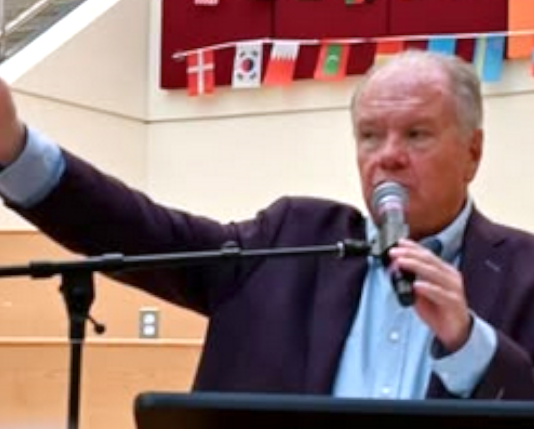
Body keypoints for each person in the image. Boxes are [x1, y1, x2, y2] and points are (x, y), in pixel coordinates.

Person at [1, 49, 534, 400]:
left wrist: (470, 343)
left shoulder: (523, 273)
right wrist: (13, 150)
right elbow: (144, 234)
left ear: (473, 152)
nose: (388, 156)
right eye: (371, 136)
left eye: (416, 134)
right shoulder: (292, 237)